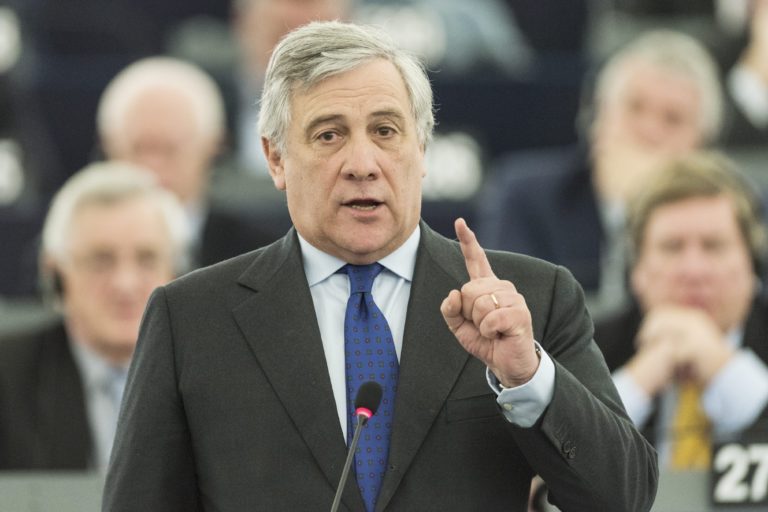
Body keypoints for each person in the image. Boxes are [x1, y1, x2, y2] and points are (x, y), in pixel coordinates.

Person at [103, 21, 657, 511]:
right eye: (329, 135)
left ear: (422, 148)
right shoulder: (190, 320)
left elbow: (622, 498)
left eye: (386, 131)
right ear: (275, 158)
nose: (362, 164)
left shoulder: (532, 299)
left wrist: (527, 377)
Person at [477, 30, 723, 320]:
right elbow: (509, 312)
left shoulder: (729, 214)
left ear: (702, 146)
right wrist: (625, 211)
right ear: (598, 117)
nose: (649, 131)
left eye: (673, 119)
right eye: (634, 108)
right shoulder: (525, 195)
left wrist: (648, 206)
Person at [0, 160, 188, 471]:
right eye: (101, 261)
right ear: (55, 276)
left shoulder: (219, 375)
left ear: (177, 273)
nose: (125, 284)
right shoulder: (7, 379)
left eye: (146, 259)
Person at [595, 151, 768, 469]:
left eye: (714, 246)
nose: (693, 270)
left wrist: (724, 369)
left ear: (751, 264)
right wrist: (639, 382)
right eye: (672, 247)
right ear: (637, 270)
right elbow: (547, 473)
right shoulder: (589, 347)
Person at [97, 56, 277, 268]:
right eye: (139, 149)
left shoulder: (260, 258)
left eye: (170, 150)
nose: (153, 167)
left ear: (213, 147)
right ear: (109, 147)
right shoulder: (78, 245)